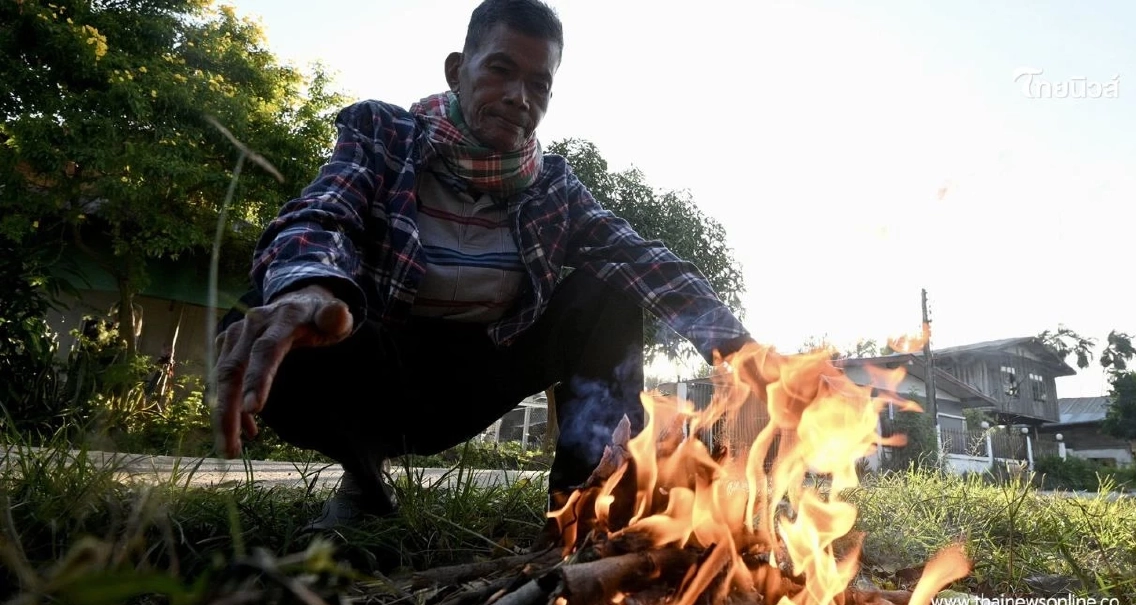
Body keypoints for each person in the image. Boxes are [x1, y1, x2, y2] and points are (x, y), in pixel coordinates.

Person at [212, 0, 764, 531]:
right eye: (500, 70)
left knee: (610, 290)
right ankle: (363, 477)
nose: (518, 96)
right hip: (376, 372)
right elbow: (324, 212)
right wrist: (307, 287)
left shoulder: (554, 189)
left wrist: (746, 355)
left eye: (538, 83)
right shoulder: (384, 137)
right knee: (260, 308)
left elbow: (646, 262)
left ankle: (584, 505)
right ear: (458, 70)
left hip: (477, 380)